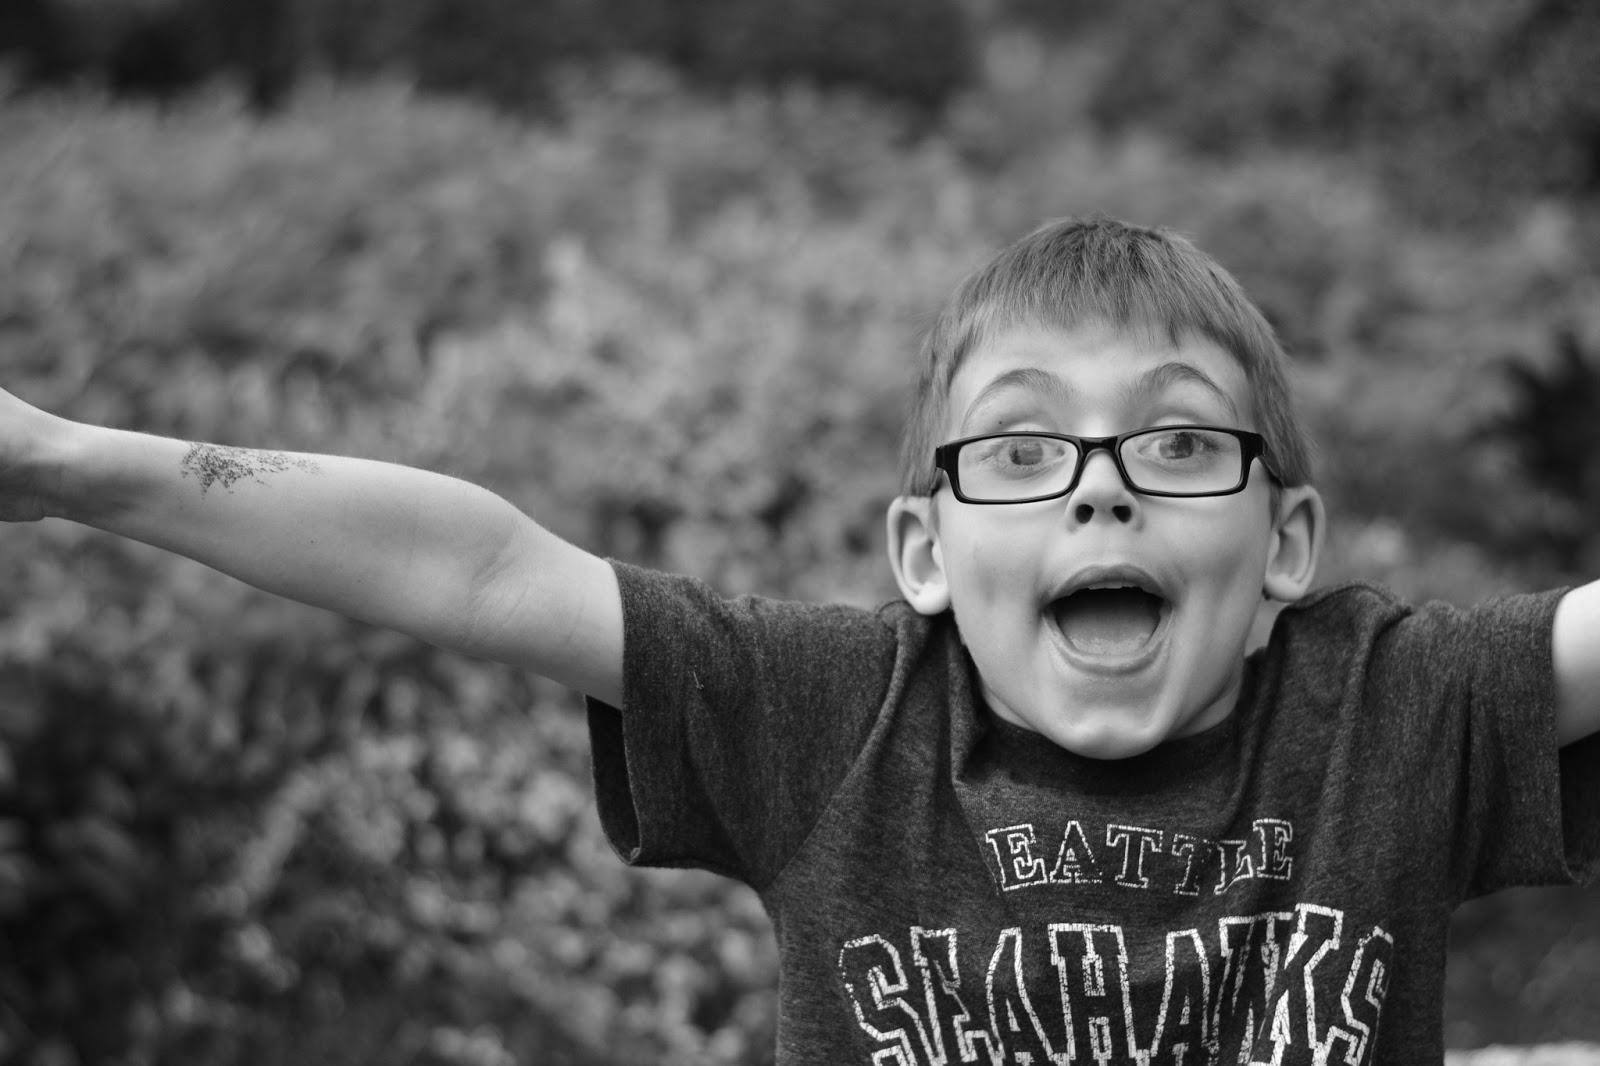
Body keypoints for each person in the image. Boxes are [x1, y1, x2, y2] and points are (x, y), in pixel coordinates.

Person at [2, 216, 1598, 1065]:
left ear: (1286, 546)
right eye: (1023, 447)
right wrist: (64, 462)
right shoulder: (837, 715)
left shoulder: (1395, 709)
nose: (1101, 488)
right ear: (926, 550)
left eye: (1180, 443)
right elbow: (481, 568)